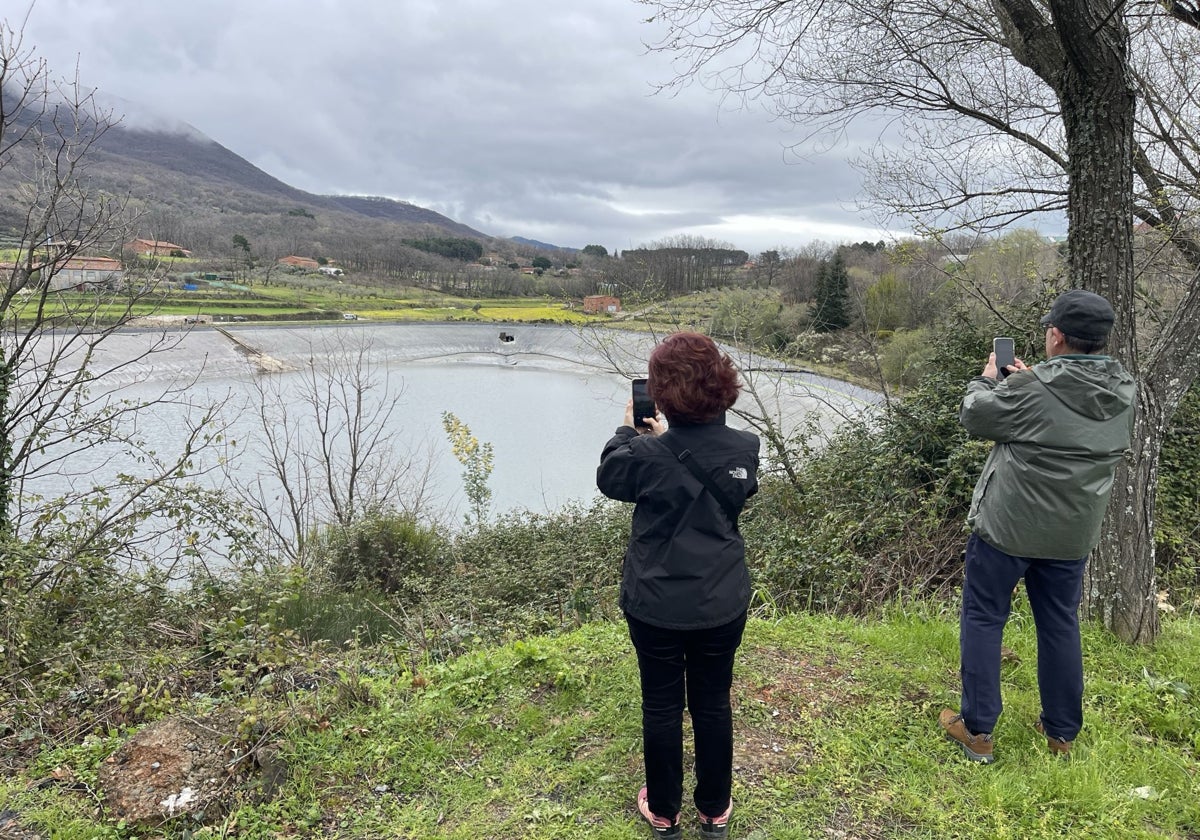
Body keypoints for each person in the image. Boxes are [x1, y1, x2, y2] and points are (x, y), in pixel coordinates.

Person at [940, 289, 1136, 763]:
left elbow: (976, 415)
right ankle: (1061, 733)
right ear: (1102, 340)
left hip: (1008, 528)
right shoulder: (1124, 391)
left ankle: (978, 730)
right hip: (1072, 534)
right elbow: (1067, 418)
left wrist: (989, 379)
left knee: (985, 617)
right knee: (1059, 624)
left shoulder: (1030, 388)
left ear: (1055, 336)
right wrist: (1032, 382)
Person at [597, 332, 760, 838]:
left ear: (661, 394)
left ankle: (664, 812)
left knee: (661, 704)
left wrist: (630, 433)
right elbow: (730, 483)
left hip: (655, 603)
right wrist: (670, 438)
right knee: (713, 702)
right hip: (721, 597)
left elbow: (609, 476)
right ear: (722, 385)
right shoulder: (746, 448)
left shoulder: (645, 456)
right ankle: (714, 810)